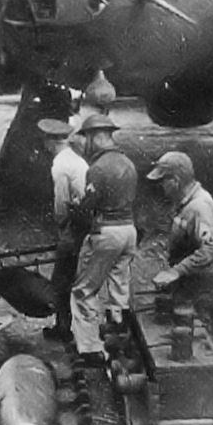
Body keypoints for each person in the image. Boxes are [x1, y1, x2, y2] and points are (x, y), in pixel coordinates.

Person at [70, 113, 137, 359]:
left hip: (106, 232)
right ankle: (119, 331)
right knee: (119, 284)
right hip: (129, 230)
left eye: (86, 138)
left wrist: (77, 205)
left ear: (96, 137)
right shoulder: (127, 163)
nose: (85, 144)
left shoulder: (97, 169)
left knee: (83, 290)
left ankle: (89, 348)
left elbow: (89, 205)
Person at [147, 151, 213, 335]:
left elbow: (211, 250)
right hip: (190, 286)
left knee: (199, 348)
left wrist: (176, 271)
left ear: (175, 181)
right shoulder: (185, 204)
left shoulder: (199, 207)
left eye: (163, 181)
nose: (161, 186)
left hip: (203, 290)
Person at [37, 118, 88, 341]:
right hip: (86, 221)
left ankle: (64, 328)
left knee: (62, 279)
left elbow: (61, 204)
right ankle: (71, 325)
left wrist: (61, 228)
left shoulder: (60, 165)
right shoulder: (77, 160)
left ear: (50, 141)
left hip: (74, 225)